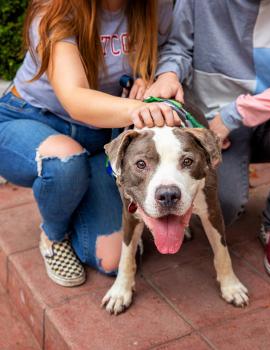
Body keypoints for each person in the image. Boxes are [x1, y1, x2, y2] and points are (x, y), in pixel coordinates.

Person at [145, 0, 270, 281]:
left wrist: (235, 115)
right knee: (224, 208)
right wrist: (169, 74)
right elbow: (177, 46)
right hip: (211, 120)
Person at [0, 0, 178, 287]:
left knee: (115, 260)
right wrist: (138, 108)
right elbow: (76, 98)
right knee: (64, 162)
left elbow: (170, 46)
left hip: (96, 136)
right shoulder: (55, 7)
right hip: (30, 119)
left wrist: (154, 77)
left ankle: (69, 197)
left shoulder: (155, 4)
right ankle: (54, 234)